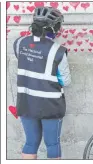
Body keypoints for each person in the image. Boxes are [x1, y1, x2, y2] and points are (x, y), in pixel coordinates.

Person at [13, 6, 71, 159]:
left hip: (26, 102)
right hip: (50, 105)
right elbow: (65, 81)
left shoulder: (19, 43)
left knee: (31, 143)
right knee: (52, 144)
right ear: (54, 27)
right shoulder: (58, 51)